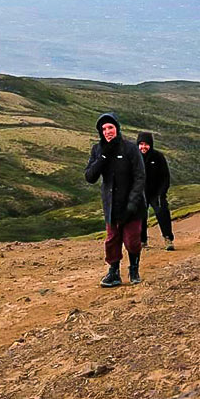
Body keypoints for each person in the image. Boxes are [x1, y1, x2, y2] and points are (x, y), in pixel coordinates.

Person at [85, 113, 146, 287]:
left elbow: (140, 176)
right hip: (111, 205)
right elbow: (90, 176)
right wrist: (103, 156)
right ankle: (114, 272)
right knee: (112, 240)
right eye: (103, 129)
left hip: (131, 205)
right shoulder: (97, 150)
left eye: (110, 127)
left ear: (117, 128)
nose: (107, 131)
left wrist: (133, 203)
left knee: (132, 240)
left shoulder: (130, 148)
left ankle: (134, 269)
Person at [136, 131, 175, 251]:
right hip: (141, 192)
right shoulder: (135, 157)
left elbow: (165, 177)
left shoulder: (158, 157)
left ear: (151, 144)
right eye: (141, 144)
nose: (143, 147)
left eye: (146, 144)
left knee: (162, 212)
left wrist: (161, 193)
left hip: (156, 192)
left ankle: (168, 238)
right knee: (140, 215)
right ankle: (142, 240)